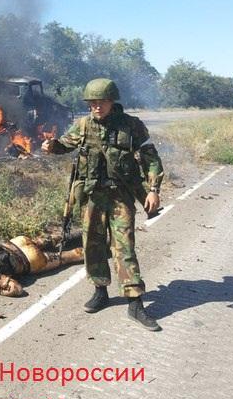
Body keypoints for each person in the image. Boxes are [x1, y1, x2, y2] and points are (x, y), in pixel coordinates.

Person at [42, 78, 164, 331]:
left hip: (120, 196)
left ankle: (135, 302)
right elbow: (64, 145)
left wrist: (153, 190)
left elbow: (150, 157)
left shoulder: (131, 126)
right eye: (92, 103)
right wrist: (51, 146)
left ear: (112, 101)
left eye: (102, 102)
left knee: (124, 246)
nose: (97, 107)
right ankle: (101, 291)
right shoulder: (83, 126)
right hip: (92, 197)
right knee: (93, 245)